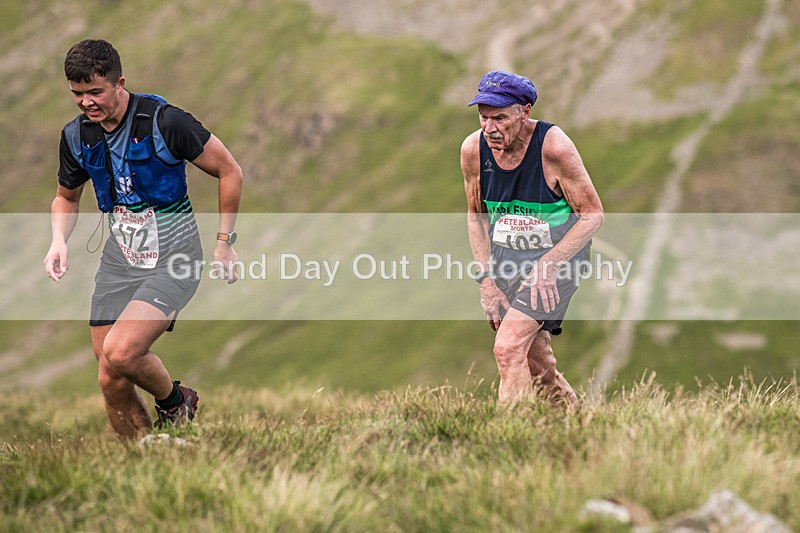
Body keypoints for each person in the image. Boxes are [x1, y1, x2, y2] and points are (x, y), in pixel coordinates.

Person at [43, 39, 243, 439]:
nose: (86, 102)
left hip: (175, 256)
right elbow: (66, 197)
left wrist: (225, 242)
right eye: (77, 94)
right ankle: (143, 458)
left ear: (120, 83)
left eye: (95, 92)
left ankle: (175, 402)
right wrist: (58, 240)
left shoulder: (166, 122)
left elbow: (230, 171)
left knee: (121, 351)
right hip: (121, 259)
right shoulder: (77, 136)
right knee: (109, 374)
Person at [460, 71, 603, 407]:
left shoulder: (554, 147)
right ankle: (578, 423)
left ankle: (512, 433)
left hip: (558, 261)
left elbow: (593, 214)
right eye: (483, 117)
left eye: (500, 118)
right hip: (505, 262)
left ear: (524, 112)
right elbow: (476, 216)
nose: (489, 128)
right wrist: (486, 281)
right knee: (537, 366)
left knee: (507, 348)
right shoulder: (473, 150)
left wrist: (548, 265)